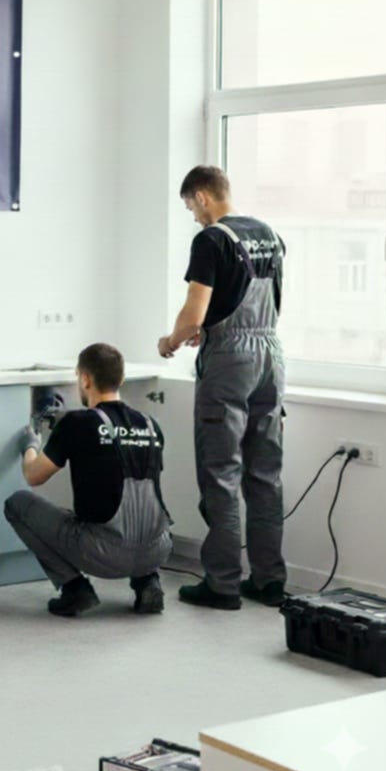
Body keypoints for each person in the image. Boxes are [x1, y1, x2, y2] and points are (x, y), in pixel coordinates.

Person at [158, 165, 287, 610]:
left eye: (190, 206)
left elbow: (192, 315)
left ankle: (223, 584)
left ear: (202, 196)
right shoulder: (270, 235)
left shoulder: (211, 239)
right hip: (271, 357)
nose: (193, 216)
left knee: (221, 474)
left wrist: (171, 340)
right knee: (265, 475)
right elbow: (260, 300)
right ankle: (269, 581)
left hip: (230, 363)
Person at [4, 343, 172, 617]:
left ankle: (74, 589)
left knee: (17, 504)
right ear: (121, 379)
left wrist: (30, 444)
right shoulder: (151, 424)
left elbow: (33, 476)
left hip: (103, 553)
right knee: (138, 510)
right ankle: (148, 582)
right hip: (157, 549)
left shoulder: (77, 423)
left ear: (84, 379)